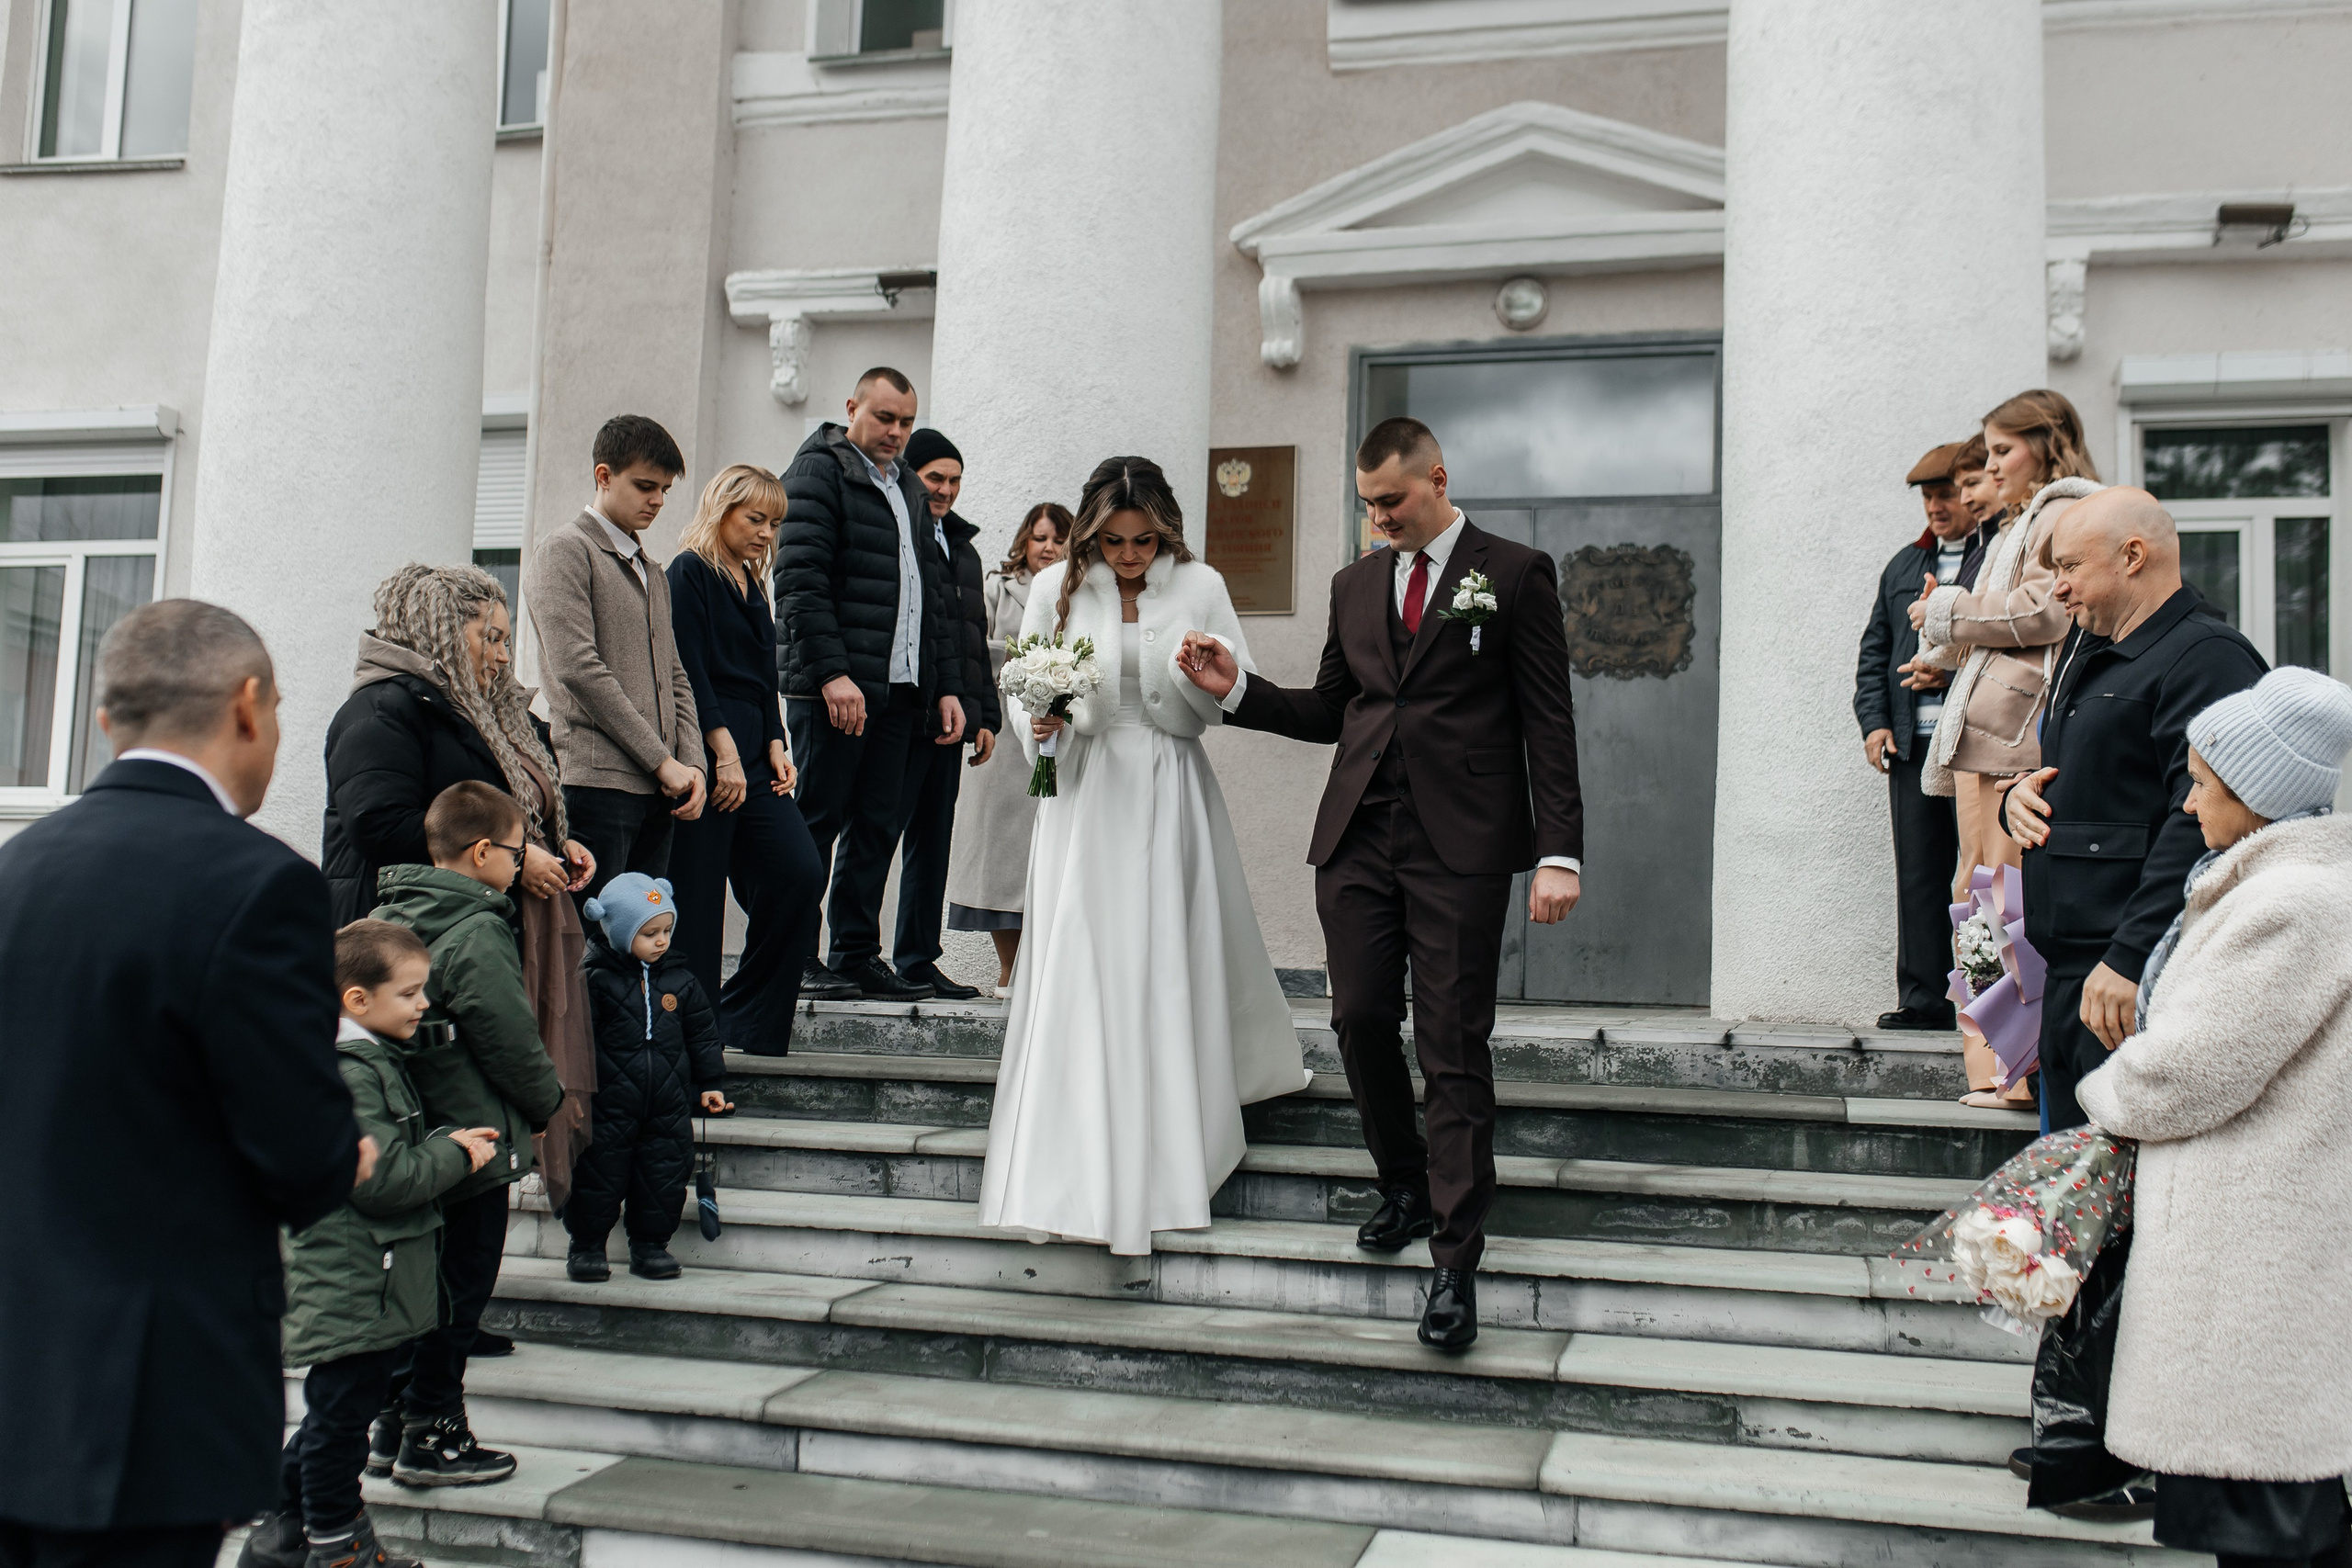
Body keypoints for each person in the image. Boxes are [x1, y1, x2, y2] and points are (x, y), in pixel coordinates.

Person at [1182, 418, 1584, 1353]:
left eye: (1391, 503)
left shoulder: (1513, 572)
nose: (1378, 521)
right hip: (1359, 836)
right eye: (1366, 506)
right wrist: (1236, 688)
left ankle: (1453, 1260)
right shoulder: (1354, 584)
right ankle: (1402, 1180)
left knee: (1450, 1042)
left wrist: (1559, 851)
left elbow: (1548, 722)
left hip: (1464, 846)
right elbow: (1334, 710)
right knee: (1359, 1020)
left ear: (1436, 479)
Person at [0, 600, 368, 1568]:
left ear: (104, 720)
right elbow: (304, 1159)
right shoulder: (258, 886)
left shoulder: (14, 869)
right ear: (248, 706)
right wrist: (342, 1146)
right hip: (147, 1407)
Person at [978, 457, 1307, 1259]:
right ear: (1093, 530)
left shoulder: (1201, 585)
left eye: (1144, 540)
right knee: (1087, 956)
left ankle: (1173, 1153)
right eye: (1115, 540)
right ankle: (1076, 1164)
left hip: (1168, 782)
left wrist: (1205, 677)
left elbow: (1237, 687)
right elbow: (1025, 690)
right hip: (1084, 793)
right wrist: (1040, 724)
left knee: (1163, 954)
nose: (1130, 555)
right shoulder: (1057, 582)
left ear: (1165, 530)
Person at [2075, 667, 2352, 1568]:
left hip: (2250, 1270)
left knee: (2267, 1525)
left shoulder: (2287, 905)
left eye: (2203, 784)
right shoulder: (2288, 893)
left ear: (2260, 794)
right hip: (2261, 1252)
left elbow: (2187, 1073)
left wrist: (2105, 1096)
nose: (2190, 804)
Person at [323, 563, 599, 1213]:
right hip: (413, 948)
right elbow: (378, 821)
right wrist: (515, 856)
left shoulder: (483, 708)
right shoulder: (383, 706)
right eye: (491, 638)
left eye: (508, 640)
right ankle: (448, 1307)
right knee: (452, 1117)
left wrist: (557, 841)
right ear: (442, 630)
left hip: (481, 932)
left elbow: (505, 804)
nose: (504, 657)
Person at [2004, 488, 2266, 1131]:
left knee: (2116, 1210)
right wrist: (2019, 796)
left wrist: (2129, 956)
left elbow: (2199, 821)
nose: (2056, 588)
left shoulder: (2208, 658)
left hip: (2130, 984)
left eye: (2069, 567)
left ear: (2133, 555)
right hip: (2071, 981)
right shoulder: (2085, 650)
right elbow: (2086, 777)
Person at [241, 921, 498, 1568]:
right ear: (357, 999)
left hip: (369, 1273)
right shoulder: (351, 1069)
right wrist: (452, 1154)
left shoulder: (367, 1058)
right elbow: (381, 1179)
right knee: (340, 1421)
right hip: (355, 1276)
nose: (422, 1004)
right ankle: (337, 1544)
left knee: (338, 1411)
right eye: (410, 992)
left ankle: (281, 1533)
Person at [370, 781, 564, 1487]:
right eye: (516, 851)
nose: (521, 865)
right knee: (462, 1286)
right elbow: (506, 1032)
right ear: (483, 851)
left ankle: (393, 1417)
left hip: (418, 1135)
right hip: (474, 1138)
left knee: (425, 1284)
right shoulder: (478, 926)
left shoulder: (393, 912)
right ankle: (436, 1430)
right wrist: (546, 1100)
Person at [775, 367, 967, 1003]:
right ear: (852, 405)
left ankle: (855, 954)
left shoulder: (908, 485)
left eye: (906, 421)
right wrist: (832, 673)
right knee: (814, 824)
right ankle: (795, 955)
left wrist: (942, 687)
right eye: (885, 418)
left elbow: (928, 598)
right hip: (834, 690)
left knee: (876, 827)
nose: (896, 432)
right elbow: (800, 582)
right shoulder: (818, 471)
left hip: (898, 694)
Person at [1912, 389, 2102, 895]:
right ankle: (1979, 980)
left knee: (2001, 894)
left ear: (2045, 443)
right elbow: (2005, 620)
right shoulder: (2021, 521)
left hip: (2017, 735)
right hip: (1994, 731)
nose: (1992, 466)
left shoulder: (2061, 509)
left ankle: (1999, 981)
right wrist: (1941, 629)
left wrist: (1945, 611)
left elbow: (2044, 611)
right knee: (1975, 889)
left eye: (2002, 450)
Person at [665, 465, 823, 1055]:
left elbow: (766, 676)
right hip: (708, 756)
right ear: (721, 510)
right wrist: (723, 752)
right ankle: (697, 1049)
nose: (766, 533)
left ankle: (748, 1022)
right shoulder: (689, 571)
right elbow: (688, 669)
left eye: (774, 522)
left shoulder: (753, 581)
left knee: (800, 874)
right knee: (698, 905)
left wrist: (778, 744)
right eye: (755, 519)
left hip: (757, 754)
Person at [526, 413, 707, 900]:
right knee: (593, 949)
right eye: (646, 486)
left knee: (640, 944)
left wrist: (692, 765)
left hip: (659, 788)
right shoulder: (566, 550)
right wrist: (662, 762)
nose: (658, 500)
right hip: (597, 784)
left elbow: (676, 676)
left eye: (665, 489)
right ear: (603, 476)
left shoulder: (653, 570)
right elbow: (578, 670)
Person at [1854, 441, 1975, 1034]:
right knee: (1920, 874)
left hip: (1973, 746)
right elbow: (1874, 650)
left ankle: (1986, 1004)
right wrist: (1875, 723)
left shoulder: (1993, 561)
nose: (1936, 506)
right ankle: (1926, 1002)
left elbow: (2005, 653)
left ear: (1972, 493)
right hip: (1911, 746)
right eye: (1928, 496)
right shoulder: (1903, 566)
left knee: (1979, 874)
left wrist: (1946, 673)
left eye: (1946, 493)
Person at [566, 874, 732, 1281]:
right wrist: (571, 1092)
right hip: (608, 1104)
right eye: (649, 933)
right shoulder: (595, 981)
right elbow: (574, 1041)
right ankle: (586, 1246)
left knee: (663, 1176)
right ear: (619, 933)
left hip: (668, 1103)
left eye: (667, 931)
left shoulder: (682, 982)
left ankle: (650, 1245)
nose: (661, 941)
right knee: (598, 1175)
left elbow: (703, 1037)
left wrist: (711, 1083)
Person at [888, 427, 999, 1000]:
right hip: (903, 713)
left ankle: (916, 958)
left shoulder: (964, 548)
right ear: (911, 474)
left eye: (955, 480)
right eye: (936, 477)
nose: (946, 490)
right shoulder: (901, 535)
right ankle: (851, 956)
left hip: (951, 724)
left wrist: (985, 716)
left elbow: (972, 640)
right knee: (877, 837)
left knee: (933, 842)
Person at [947, 502, 1071, 995]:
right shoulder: (1000, 587)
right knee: (1003, 861)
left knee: (1054, 857)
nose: (1049, 547)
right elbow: (979, 646)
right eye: (1041, 537)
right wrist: (1025, 660)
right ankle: (1009, 972)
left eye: (1059, 539)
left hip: (1058, 735)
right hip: (1006, 734)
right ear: (1024, 541)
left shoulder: (1080, 591)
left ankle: (1050, 975)